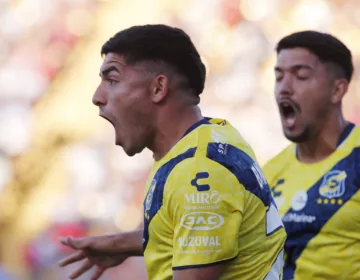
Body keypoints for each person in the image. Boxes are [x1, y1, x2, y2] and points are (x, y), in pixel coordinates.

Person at [58, 24, 286, 280]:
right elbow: (194, 228)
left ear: (158, 89)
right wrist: (125, 243)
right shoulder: (211, 137)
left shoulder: (198, 173)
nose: (97, 96)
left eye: (112, 80)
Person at [263, 30, 360, 280]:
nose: (284, 88)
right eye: (278, 77)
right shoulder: (269, 173)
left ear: (337, 90)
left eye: (301, 76)